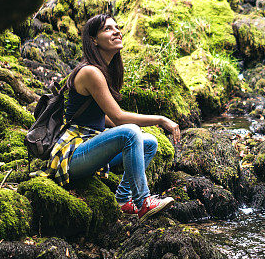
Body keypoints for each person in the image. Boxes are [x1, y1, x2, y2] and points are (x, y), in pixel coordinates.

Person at [47, 12, 180, 219]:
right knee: (130, 131)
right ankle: (143, 201)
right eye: (108, 29)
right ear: (93, 40)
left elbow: (105, 119)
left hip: (91, 148)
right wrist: (160, 120)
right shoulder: (90, 72)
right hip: (71, 156)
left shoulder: (104, 70)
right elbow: (118, 118)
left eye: (117, 27)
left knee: (149, 142)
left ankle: (123, 200)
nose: (116, 31)